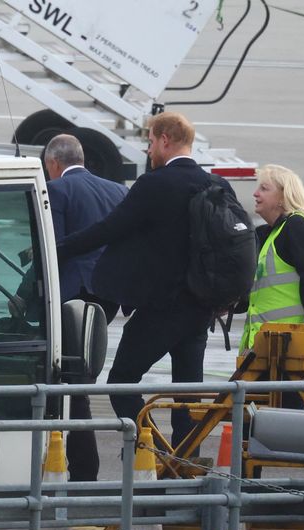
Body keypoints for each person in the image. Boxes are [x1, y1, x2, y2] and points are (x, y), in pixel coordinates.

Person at [56, 111, 234, 450]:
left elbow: (109, 229)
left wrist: (57, 247)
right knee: (187, 393)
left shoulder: (156, 184)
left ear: (165, 140)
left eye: (151, 142)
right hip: (201, 310)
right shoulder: (217, 185)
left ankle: (152, 453)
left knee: (121, 381)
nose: (149, 151)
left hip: (163, 307)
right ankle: (183, 463)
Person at [43, 133, 128, 481]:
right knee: (82, 376)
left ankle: (82, 470)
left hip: (73, 295)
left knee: (72, 383)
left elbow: (54, 250)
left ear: (52, 163)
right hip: (108, 296)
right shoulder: (117, 191)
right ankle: (77, 467)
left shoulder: (58, 190)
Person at [240, 163, 304, 480]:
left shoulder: (298, 228)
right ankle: (244, 488)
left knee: (278, 423)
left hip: (287, 349)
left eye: (264, 188)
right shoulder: (273, 234)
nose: (255, 193)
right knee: (252, 421)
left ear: (283, 197)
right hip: (267, 348)